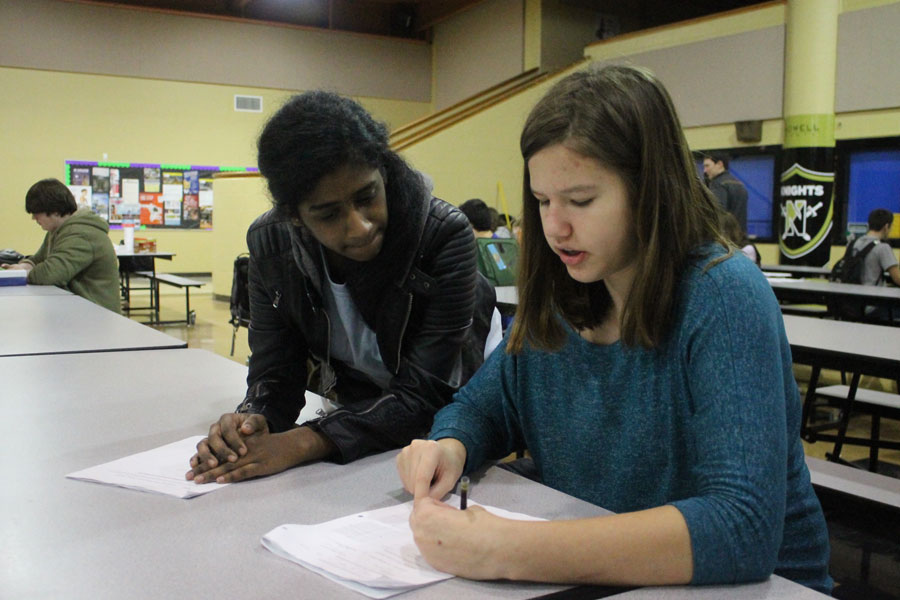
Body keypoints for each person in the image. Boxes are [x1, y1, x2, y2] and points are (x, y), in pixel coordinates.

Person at [396, 65, 832, 594]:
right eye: (542, 201)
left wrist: (506, 548)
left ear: (651, 191)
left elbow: (741, 528)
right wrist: (450, 446)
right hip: (615, 581)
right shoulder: (566, 293)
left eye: (580, 200)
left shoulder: (723, 295)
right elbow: (484, 406)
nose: (556, 226)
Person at [187, 91, 496, 485]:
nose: (361, 226)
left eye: (367, 197)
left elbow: (426, 398)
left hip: (458, 425)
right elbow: (275, 371)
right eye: (329, 214)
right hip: (368, 425)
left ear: (382, 173)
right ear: (294, 217)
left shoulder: (442, 236)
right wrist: (251, 424)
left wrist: (301, 442)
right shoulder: (271, 244)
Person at [1, 178, 120, 313]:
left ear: (55, 211)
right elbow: (39, 259)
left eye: (36, 213)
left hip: (98, 316)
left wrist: (22, 273)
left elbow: (51, 274)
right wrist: (23, 266)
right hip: (78, 311)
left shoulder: (82, 234)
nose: (34, 218)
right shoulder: (57, 230)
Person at [703, 151, 748, 232]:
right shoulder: (739, 184)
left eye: (707, 166)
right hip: (740, 237)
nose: (705, 170)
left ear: (720, 164)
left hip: (726, 238)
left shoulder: (718, 184)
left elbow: (718, 214)